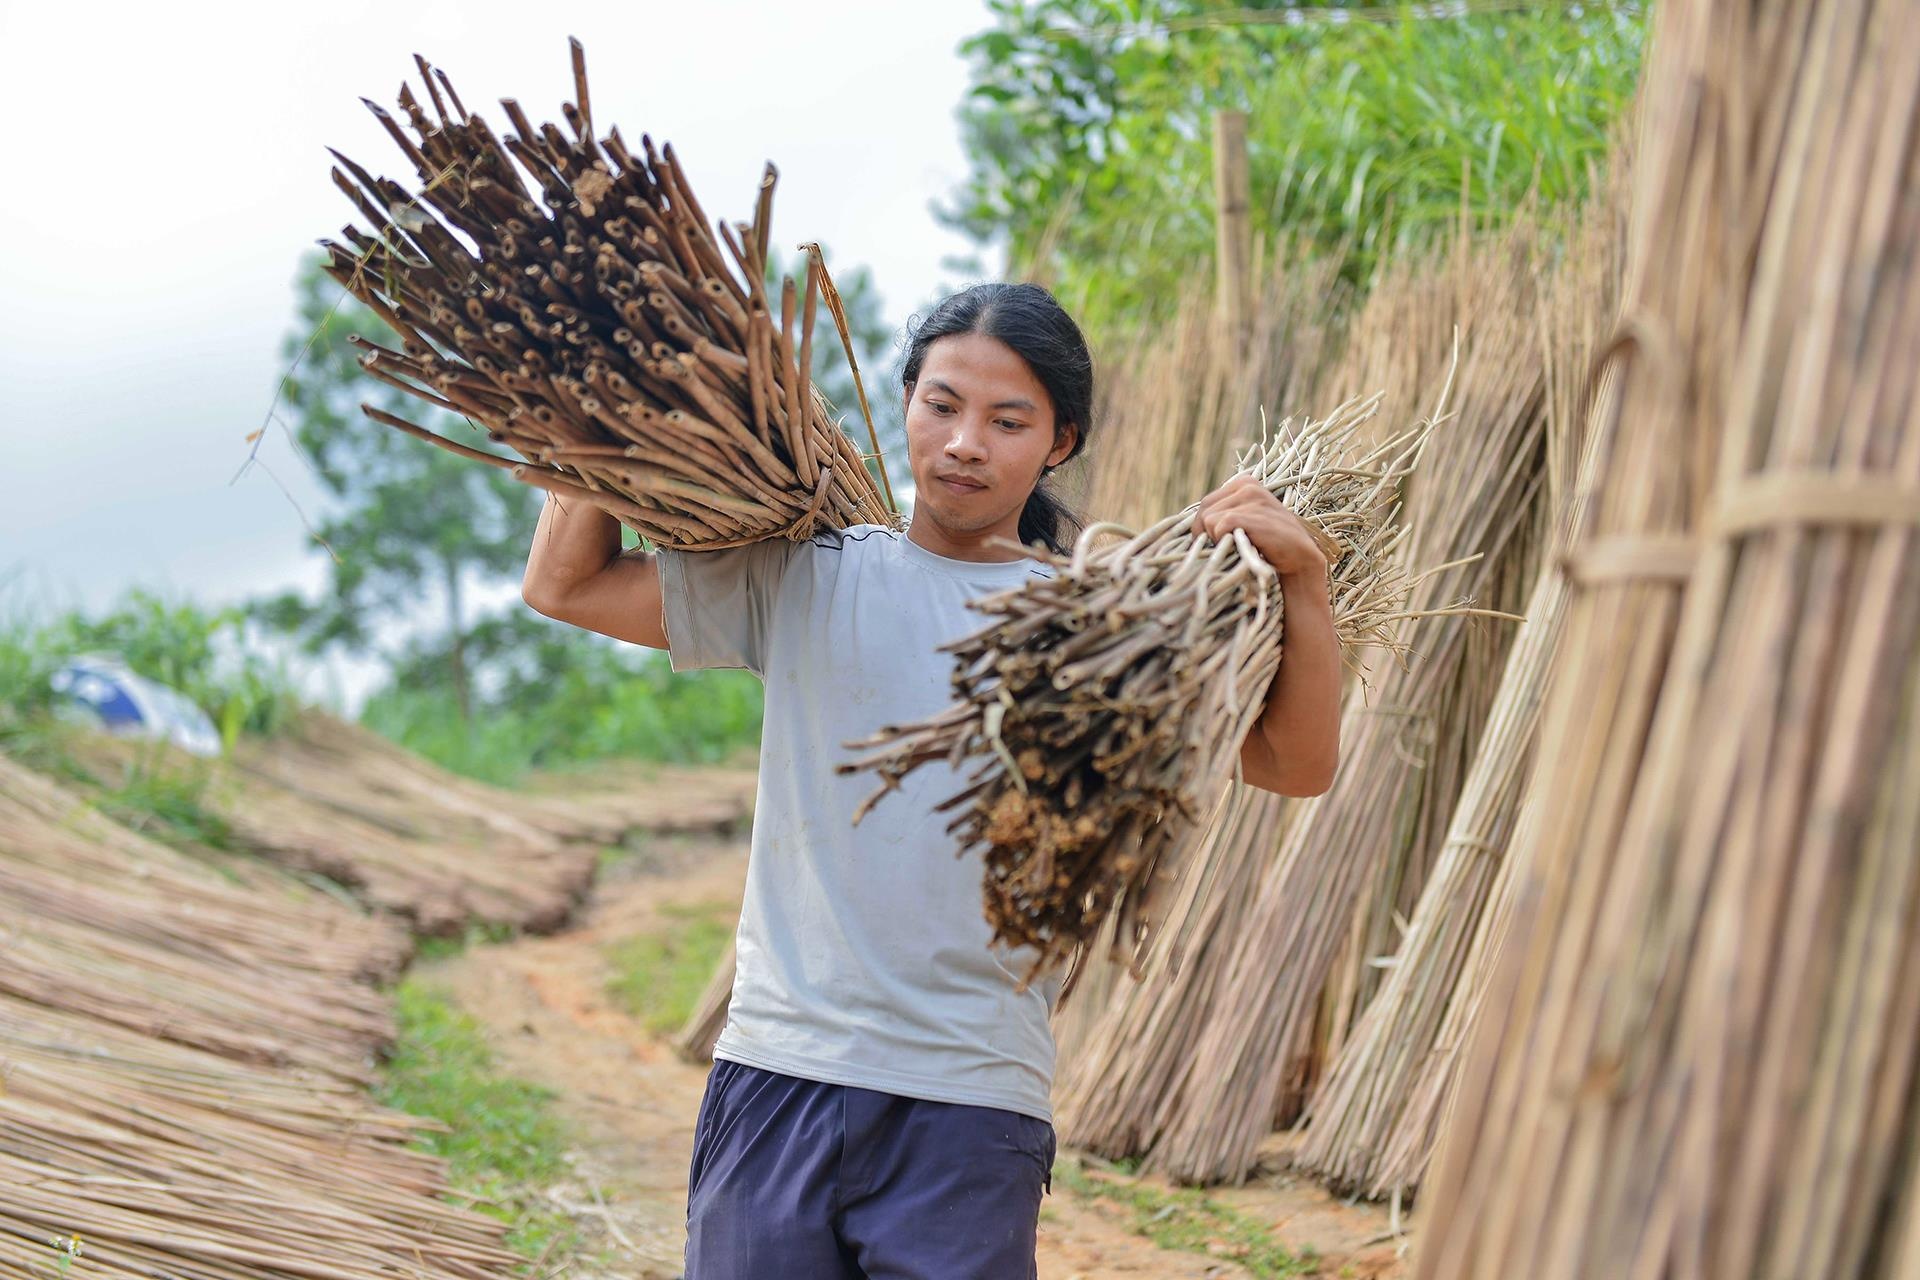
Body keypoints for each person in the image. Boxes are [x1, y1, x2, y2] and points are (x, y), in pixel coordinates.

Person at [521, 281, 1342, 1279]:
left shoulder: (1102, 625)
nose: (964, 442)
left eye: (1008, 421)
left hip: (970, 1097)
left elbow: (1295, 764)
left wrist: (1305, 583)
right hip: (785, 1067)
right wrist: (607, 410)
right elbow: (564, 584)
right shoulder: (804, 575)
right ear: (904, 401)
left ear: (1060, 442)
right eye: (942, 404)